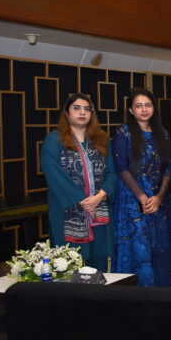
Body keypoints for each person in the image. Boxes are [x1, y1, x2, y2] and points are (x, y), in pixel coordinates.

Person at [111, 88, 171, 287]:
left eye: (148, 105)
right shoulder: (123, 132)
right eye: (138, 106)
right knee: (138, 248)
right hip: (132, 201)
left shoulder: (163, 133)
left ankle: (162, 293)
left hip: (159, 200)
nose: (144, 109)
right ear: (131, 109)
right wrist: (142, 197)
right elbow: (122, 168)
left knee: (160, 247)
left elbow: (169, 167)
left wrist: (159, 197)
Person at [41, 94, 117, 271]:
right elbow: (54, 174)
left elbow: (112, 172)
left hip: (99, 210)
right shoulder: (54, 140)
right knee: (68, 265)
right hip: (68, 210)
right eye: (76, 108)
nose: (82, 112)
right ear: (67, 113)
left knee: (98, 264)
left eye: (87, 109)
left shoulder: (102, 140)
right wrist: (84, 202)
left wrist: (100, 196)